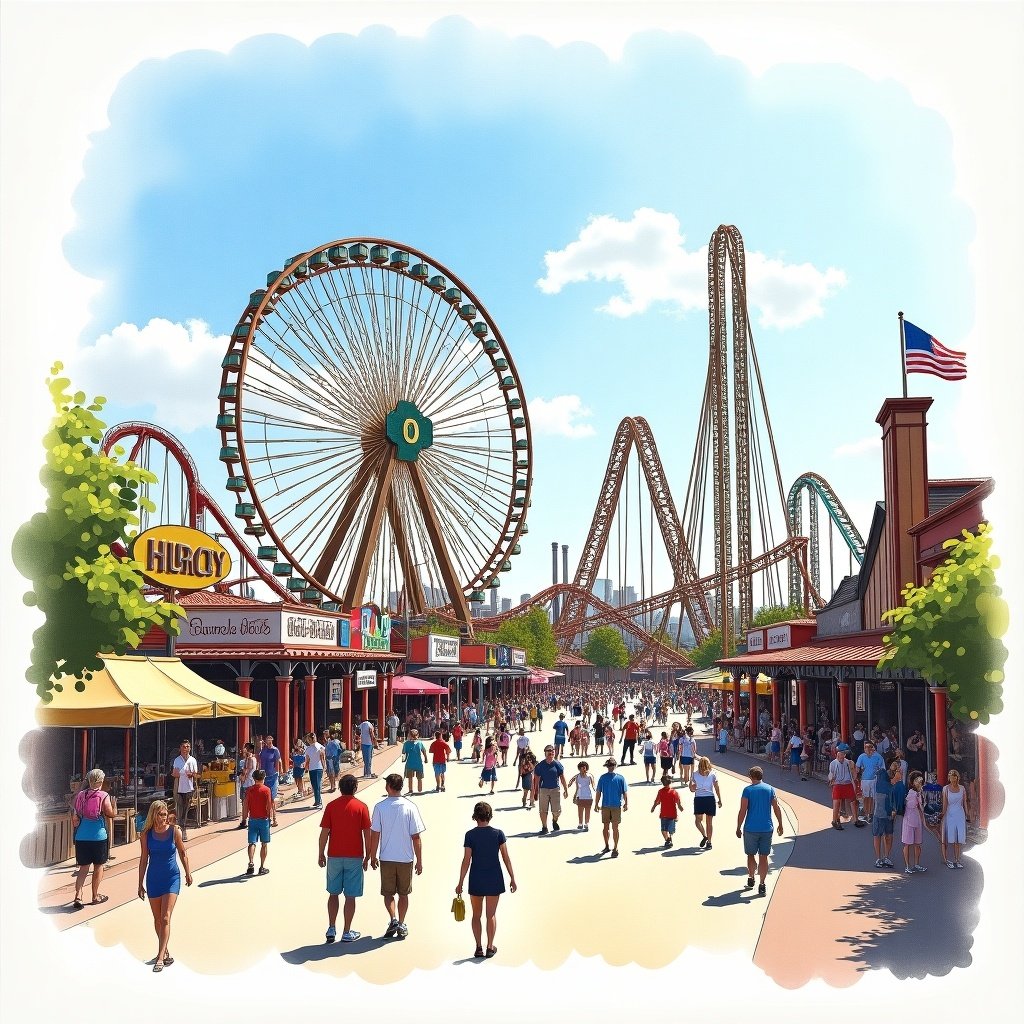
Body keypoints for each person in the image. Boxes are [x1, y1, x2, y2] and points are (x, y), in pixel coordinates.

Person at [367, 773, 426, 940]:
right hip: (406, 858)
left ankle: (392, 918)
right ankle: (401, 922)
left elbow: (375, 834)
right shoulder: (410, 807)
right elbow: (416, 837)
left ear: (389, 787)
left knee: (388, 893)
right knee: (404, 894)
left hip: (386, 857)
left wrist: (372, 855)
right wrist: (419, 861)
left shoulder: (380, 807)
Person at [455, 801, 517, 959]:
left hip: (476, 878)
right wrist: (512, 877)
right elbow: (506, 857)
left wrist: (460, 882)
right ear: (489, 816)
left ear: (475, 816)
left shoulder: (470, 835)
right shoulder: (498, 834)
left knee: (476, 915)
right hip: (494, 878)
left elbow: (466, 860)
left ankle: (478, 948)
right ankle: (490, 947)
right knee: (491, 915)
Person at [137, 799, 192, 971]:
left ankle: (160, 957)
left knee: (166, 917)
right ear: (153, 815)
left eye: (165, 814)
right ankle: (165, 949)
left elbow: (183, 852)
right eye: (160, 814)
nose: (163, 817)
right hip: (153, 878)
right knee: (157, 919)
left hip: (171, 877)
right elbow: (143, 859)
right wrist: (139, 883)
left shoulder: (174, 831)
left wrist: (188, 872)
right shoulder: (146, 834)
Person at [318, 772, 371, 943]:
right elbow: (367, 834)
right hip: (354, 856)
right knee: (350, 896)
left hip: (334, 855)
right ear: (355, 788)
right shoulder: (362, 807)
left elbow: (324, 833)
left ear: (340, 788)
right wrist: (368, 855)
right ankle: (347, 931)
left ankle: (331, 927)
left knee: (333, 894)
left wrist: (320, 853)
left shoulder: (331, 806)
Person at [735, 765, 784, 897]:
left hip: (751, 828)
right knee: (764, 857)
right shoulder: (770, 789)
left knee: (750, 855)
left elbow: (743, 810)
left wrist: (738, 826)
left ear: (751, 777)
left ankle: (751, 876)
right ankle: (762, 884)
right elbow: (776, 807)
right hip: (767, 828)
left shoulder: (747, 790)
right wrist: (780, 823)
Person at [71, 768, 116, 908]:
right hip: (98, 836)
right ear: (101, 781)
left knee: (83, 868)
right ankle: (95, 896)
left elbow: (75, 816)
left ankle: (78, 895)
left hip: (82, 836)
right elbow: (110, 814)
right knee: (98, 866)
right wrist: (115, 807)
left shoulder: (81, 795)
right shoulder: (103, 795)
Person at [594, 757, 629, 857]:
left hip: (616, 806)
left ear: (615, 766)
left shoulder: (620, 778)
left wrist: (626, 803)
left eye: (612, 765)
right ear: (607, 766)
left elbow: (625, 792)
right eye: (609, 765)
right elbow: (598, 792)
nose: (611, 767)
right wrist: (596, 804)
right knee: (606, 827)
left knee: (615, 827)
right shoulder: (603, 777)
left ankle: (615, 847)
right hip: (605, 805)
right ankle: (606, 845)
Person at [244, 768, 276, 876]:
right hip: (264, 820)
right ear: (263, 778)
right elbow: (269, 806)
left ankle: (251, 862)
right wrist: (271, 817)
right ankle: (262, 867)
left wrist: (244, 818)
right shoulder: (266, 790)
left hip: (252, 819)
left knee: (252, 842)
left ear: (254, 778)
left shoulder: (249, 790)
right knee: (264, 844)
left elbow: (246, 805)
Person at [532, 744, 568, 834]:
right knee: (543, 810)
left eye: (552, 751)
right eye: (549, 751)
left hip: (555, 789)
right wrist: (535, 792)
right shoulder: (540, 765)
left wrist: (566, 789)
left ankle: (554, 820)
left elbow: (562, 777)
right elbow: (536, 779)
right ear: (545, 753)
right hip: (544, 790)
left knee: (557, 811)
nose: (551, 753)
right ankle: (544, 827)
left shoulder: (557, 764)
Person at [689, 755, 723, 849]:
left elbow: (691, 789)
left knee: (698, 821)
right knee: (709, 822)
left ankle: (704, 835)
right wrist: (719, 799)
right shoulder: (713, 774)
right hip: (710, 799)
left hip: (699, 799)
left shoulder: (694, 774)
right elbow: (716, 787)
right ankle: (709, 842)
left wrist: (693, 787)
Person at [171, 740, 199, 841]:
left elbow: (196, 774)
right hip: (179, 787)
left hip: (189, 787)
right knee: (179, 808)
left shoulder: (193, 760)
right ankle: (180, 829)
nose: (186, 749)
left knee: (186, 809)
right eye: (184, 747)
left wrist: (191, 774)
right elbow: (174, 773)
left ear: (190, 748)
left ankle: (183, 828)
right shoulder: (177, 760)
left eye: (187, 747)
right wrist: (182, 774)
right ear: (180, 748)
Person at [871, 761, 897, 868]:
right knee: (881, 836)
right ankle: (880, 858)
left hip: (886, 814)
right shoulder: (882, 783)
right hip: (880, 814)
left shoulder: (891, 785)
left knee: (885, 836)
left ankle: (884, 857)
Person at [942, 768, 970, 869]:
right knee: (952, 838)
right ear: (949, 778)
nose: (952, 778)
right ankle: (950, 859)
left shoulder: (962, 788)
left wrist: (967, 814)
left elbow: (965, 802)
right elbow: (945, 804)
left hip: (960, 813)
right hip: (950, 814)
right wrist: (942, 815)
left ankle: (957, 860)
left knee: (959, 838)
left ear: (957, 777)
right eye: (950, 776)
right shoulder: (945, 788)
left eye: (954, 776)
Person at [902, 771, 928, 873]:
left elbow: (922, 807)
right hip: (908, 820)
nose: (919, 782)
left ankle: (917, 864)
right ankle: (907, 866)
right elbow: (912, 805)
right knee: (907, 844)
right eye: (916, 780)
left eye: (920, 780)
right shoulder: (911, 793)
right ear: (912, 782)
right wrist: (919, 796)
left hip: (917, 819)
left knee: (917, 844)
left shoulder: (920, 792)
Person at [855, 741, 886, 821]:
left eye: (869, 747)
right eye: (866, 747)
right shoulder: (861, 756)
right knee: (866, 797)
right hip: (865, 780)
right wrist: (856, 775)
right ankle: (866, 813)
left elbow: (882, 769)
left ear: (872, 748)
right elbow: (857, 768)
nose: (867, 749)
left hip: (874, 780)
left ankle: (871, 814)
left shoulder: (878, 757)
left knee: (872, 797)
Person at [828, 744, 857, 830]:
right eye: (842, 754)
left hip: (847, 783)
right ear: (838, 754)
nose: (843, 756)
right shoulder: (833, 763)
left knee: (853, 800)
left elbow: (852, 774)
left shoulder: (848, 762)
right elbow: (831, 774)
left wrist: (853, 783)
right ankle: (835, 820)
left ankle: (855, 819)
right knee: (837, 803)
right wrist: (831, 779)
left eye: (844, 754)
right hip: (838, 784)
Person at [651, 773, 683, 848]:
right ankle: (669, 839)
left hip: (664, 814)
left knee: (663, 829)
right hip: (672, 814)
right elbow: (678, 801)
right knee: (671, 830)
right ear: (670, 782)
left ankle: (667, 839)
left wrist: (653, 807)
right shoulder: (674, 792)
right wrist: (680, 807)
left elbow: (657, 801)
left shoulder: (660, 792)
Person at [236, 741, 257, 829]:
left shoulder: (249, 759)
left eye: (247, 748)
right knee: (250, 803)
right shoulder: (254, 759)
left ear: (250, 750)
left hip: (247, 784)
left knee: (245, 803)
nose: (245, 750)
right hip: (252, 783)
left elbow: (245, 772)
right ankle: (250, 819)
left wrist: (241, 777)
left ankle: (244, 820)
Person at [258, 735, 283, 807]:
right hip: (263, 774)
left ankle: (272, 812)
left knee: (272, 795)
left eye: (270, 740)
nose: (268, 741)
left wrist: (280, 769)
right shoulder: (263, 750)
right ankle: (265, 810)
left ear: (272, 740)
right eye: (267, 740)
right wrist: (260, 746)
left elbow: (279, 760)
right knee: (264, 794)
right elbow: (259, 759)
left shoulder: (275, 750)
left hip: (272, 774)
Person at [569, 760, 595, 830]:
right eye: (582, 767)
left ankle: (586, 824)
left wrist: (595, 791)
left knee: (587, 811)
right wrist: (574, 796)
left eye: (585, 767)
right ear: (579, 768)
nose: (584, 769)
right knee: (580, 811)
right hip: (580, 796)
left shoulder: (589, 776)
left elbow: (593, 785)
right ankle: (580, 823)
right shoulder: (577, 777)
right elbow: (576, 787)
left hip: (588, 796)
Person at [401, 729, 427, 795]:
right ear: (417, 735)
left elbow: (404, 753)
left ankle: (410, 790)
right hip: (419, 763)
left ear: (409, 735)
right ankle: (419, 790)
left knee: (410, 778)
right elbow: (424, 751)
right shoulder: (420, 743)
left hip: (410, 763)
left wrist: (404, 759)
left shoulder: (406, 744)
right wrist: (426, 758)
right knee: (419, 778)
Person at [305, 732, 327, 810]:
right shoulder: (308, 749)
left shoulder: (320, 747)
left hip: (318, 768)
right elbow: (307, 760)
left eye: (309, 739)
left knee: (317, 785)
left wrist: (324, 768)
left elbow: (323, 758)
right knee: (314, 785)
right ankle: (317, 801)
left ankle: (319, 801)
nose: (308, 740)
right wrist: (306, 768)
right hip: (312, 768)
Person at [358, 715, 379, 779]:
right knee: (369, 759)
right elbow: (371, 733)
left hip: (363, 743)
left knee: (365, 759)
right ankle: (368, 773)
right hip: (369, 743)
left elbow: (358, 730)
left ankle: (366, 772)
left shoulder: (362, 724)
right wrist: (374, 742)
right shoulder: (369, 724)